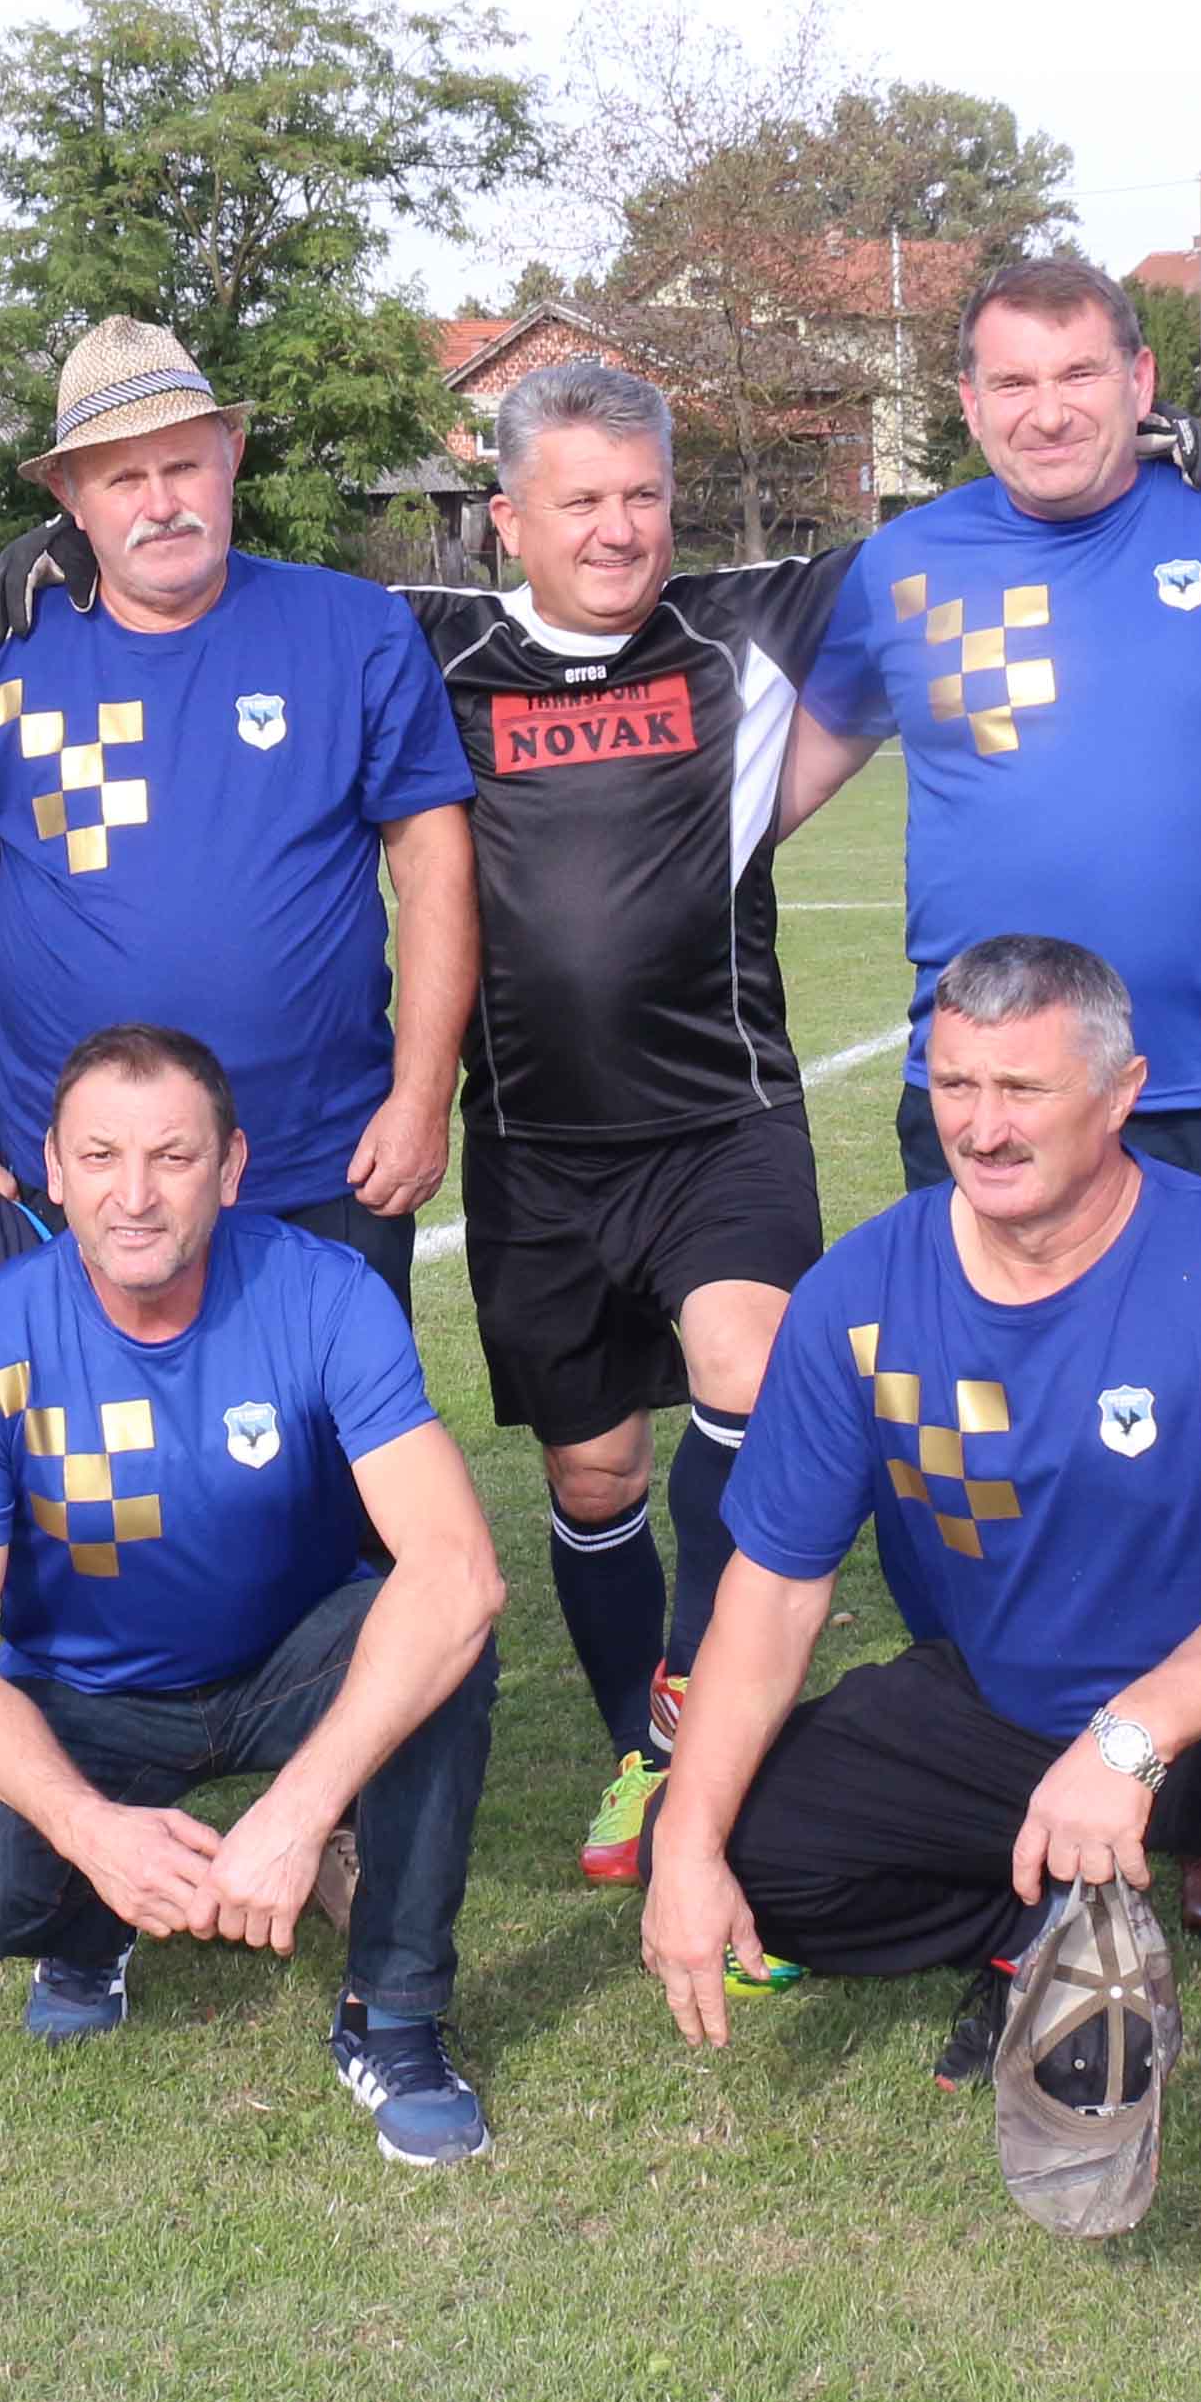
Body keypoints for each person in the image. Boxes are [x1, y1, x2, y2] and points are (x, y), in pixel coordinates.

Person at [639, 936, 1201, 2303]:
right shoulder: (863, 1297)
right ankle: (1031, 1917)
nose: (983, 1128)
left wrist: (1131, 1737)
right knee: (736, 1836)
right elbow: (777, 1583)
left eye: (1024, 1090)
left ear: (1121, 1095)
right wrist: (686, 1850)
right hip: (1000, 1709)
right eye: (956, 1085)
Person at [0, 1025, 509, 2166]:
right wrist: (87, 1831)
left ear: (230, 1169)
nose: (134, 1196)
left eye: (172, 1158)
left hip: (289, 1662)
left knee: (448, 1638)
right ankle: (96, 1919)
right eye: (100, 1157)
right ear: (53, 1168)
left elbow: (459, 1569)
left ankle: (393, 2014)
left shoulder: (323, 1295)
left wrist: (299, 1811)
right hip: (89, 1696)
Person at [391, 360, 843, 1879]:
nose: (618, 527)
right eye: (580, 499)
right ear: (506, 517)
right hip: (533, 1152)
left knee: (754, 1371)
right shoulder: (428, 649)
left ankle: (697, 1708)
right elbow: (239, 610)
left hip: (722, 1121)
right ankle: (639, 1757)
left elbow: (961, 549)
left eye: (644, 494)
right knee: (594, 1482)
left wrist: (1147, 460)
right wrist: (59, 558)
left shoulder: (747, 625)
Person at [0, 318, 478, 1307]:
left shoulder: (356, 631)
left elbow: (433, 868)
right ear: (68, 496)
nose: (161, 504)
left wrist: (424, 1096)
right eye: (122, 479)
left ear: (233, 454)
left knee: (328, 1418)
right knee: (77, 1421)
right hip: (83, 1191)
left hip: (326, 1167)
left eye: (184, 466)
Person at [780, 255, 1201, 1229]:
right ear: (971, 403)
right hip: (985, 1097)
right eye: (1014, 382)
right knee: (981, 1339)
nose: (1047, 414)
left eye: (1080, 374)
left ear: (1141, 379)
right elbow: (769, 795)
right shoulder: (905, 562)